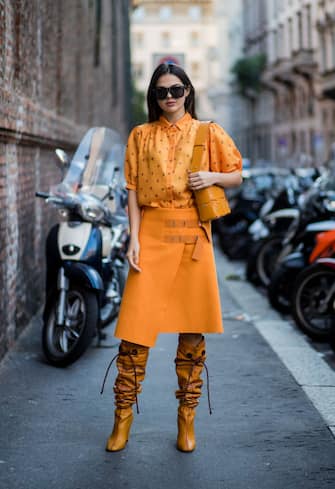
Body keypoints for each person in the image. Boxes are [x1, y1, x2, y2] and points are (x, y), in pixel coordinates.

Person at [103, 63, 242, 453]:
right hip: (151, 234)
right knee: (133, 335)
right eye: (162, 91)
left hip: (193, 238)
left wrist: (212, 178)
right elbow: (131, 189)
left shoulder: (207, 132)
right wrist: (133, 238)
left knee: (192, 335)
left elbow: (236, 174)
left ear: (188, 92)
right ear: (154, 96)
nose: (169, 97)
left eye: (176, 90)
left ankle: (186, 420)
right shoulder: (140, 135)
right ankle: (122, 419)